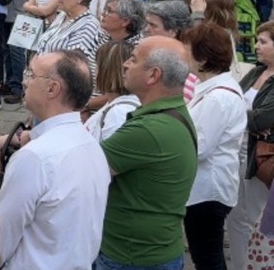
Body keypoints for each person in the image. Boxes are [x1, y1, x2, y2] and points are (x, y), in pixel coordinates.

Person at [0, 50, 110, 269]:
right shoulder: (91, 145)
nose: (24, 81)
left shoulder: (35, 157)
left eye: (31, 74)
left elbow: (0, 238)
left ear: (52, 88)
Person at [97, 36, 198, 269]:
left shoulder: (148, 130)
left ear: (153, 75)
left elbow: (84, 173)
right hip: (152, 250)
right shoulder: (171, 114)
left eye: (133, 59)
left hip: (132, 256)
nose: (125, 64)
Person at [180, 22, 247, 269]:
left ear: (203, 56)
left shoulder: (218, 96)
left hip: (208, 190)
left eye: (187, 49)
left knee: (207, 259)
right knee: (205, 257)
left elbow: (200, 147)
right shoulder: (208, 89)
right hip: (204, 189)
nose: (183, 55)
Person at [229, 21, 274, 269]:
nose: (257, 46)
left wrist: (242, 114)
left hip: (261, 156)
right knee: (235, 215)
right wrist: (247, 116)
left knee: (258, 216)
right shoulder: (257, 72)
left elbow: (262, 119)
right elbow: (231, 100)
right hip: (239, 151)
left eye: (264, 42)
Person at [84, 41, 139, 141]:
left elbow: (110, 155)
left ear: (106, 70)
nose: (94, 71)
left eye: (97, 65)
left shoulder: (118, 113)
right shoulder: (113, 104)